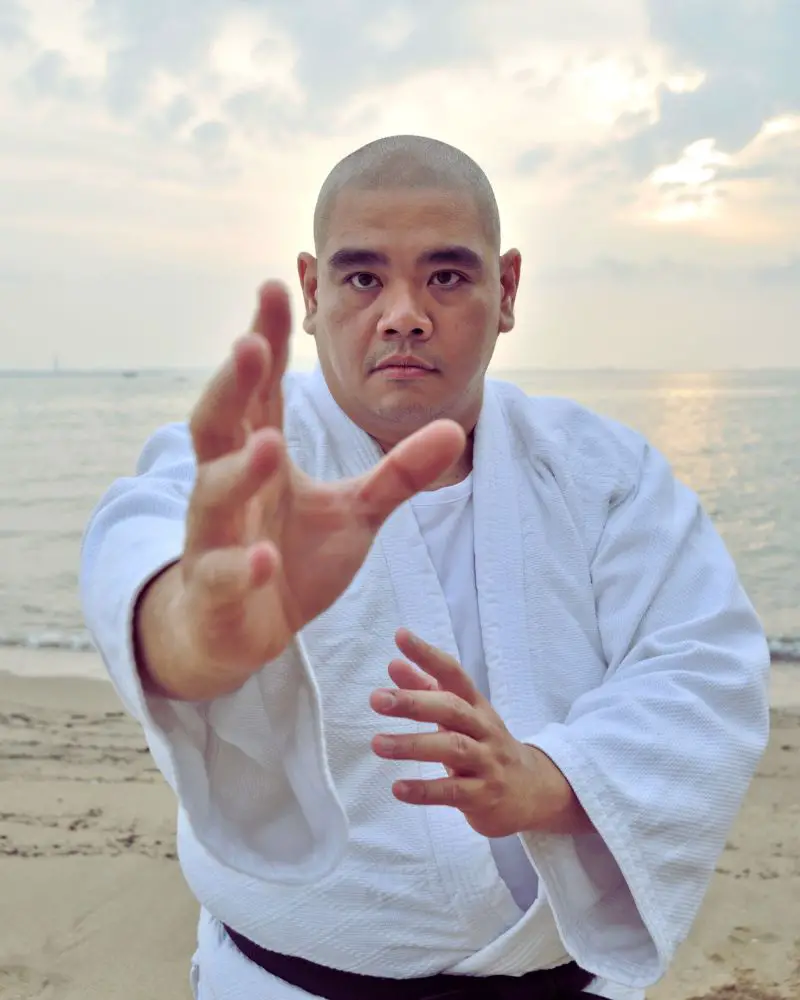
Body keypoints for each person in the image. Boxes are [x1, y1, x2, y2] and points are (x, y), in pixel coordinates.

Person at [80, 135, 770, 1000]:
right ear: (311, 290)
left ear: (507, 288)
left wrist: (548, 782)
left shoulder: (603, 470)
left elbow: (704, 665)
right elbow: (139, 546)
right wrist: (198, 631)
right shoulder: (253, 464)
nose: (403, 312)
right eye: (363, 277)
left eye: (446, 276)